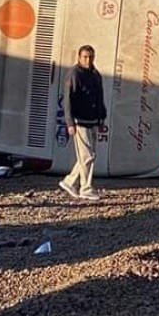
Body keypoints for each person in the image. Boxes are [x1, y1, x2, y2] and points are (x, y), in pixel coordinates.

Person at [59, 45, 107, 201]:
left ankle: (69, 181)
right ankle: (85, 188)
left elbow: (99, 97)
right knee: (87, 156)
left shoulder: (95, 74)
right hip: (80, 121)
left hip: (93, 120)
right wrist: (70, 122)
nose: (88, 60)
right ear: (79, 57)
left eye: (91, 57)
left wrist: (102, 117)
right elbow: (68, 100)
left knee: (87, 156)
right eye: (85, 57)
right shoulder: (74, 74)